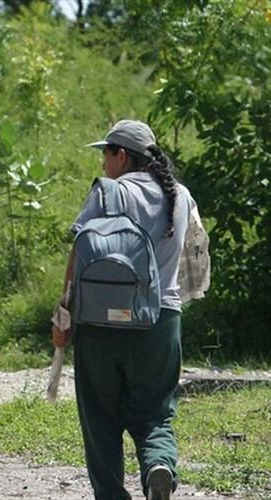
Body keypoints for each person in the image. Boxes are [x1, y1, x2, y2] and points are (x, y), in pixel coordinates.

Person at [53, 120, 200, 500]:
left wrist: (63, 316)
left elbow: (78, 255)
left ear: (122, 155)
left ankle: (111, 495)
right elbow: (195, 261)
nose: (102, 162)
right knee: (155, 412)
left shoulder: (108, 193)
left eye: (106, 153)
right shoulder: (180, 196)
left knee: (100, 417)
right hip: (159, 320)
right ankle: (158, 466)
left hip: (101, 323)